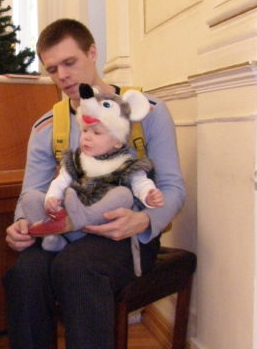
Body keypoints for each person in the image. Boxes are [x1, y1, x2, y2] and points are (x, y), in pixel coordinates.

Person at [0, 19, 186, 349]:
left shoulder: (148, 112)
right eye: (51, 69)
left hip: (127, 235)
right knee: (23, 274)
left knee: (77, 269)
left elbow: (173, 187)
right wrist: (21, 225)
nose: (62, 75)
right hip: (67, 231)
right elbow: (33, 192)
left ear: (92, 53)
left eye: (69, 62)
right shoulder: (48, 126)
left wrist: (144, 219)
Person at [20, 83, 164, 254]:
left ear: (118, 141)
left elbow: (141, 183)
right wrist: (52, 198)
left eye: (96, 133)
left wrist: (149, 195)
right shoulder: (75, 160)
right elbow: (60, 182)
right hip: (69, 219)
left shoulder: (126, 164)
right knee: (30, 198)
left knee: (124, 194)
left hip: (100, 225)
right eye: (85, 130)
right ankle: (53, 236)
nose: (87, 138)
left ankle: (82, 218)